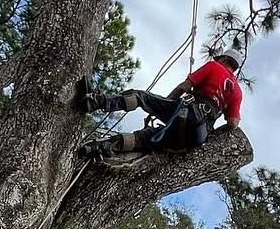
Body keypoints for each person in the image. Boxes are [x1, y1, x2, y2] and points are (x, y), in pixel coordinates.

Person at [74, 49, 244, 162]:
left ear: (223, 58)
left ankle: (95, 102)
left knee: (141, 97)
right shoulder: (237, 91)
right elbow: (232, 123)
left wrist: (165, 106)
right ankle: (98, 148)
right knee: (145, 138)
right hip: (197, 136)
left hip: (187, 113)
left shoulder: (214, 66)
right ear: (234, 68)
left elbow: (183, 87)